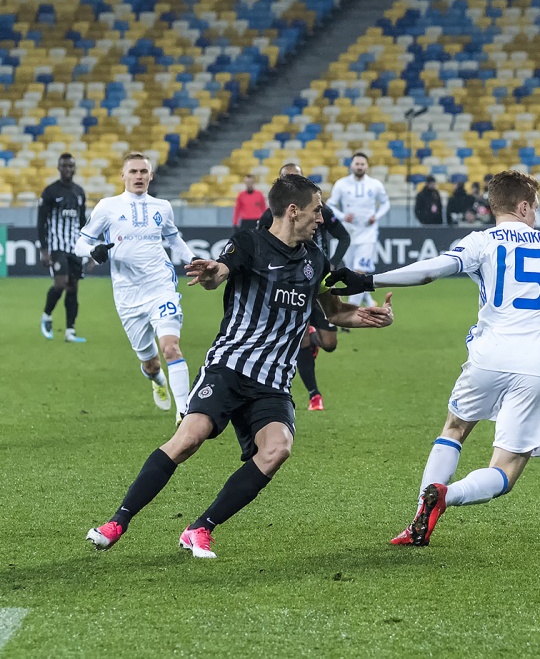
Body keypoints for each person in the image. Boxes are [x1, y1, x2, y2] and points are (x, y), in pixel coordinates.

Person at [328, 170, 540, 547]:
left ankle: (419, 516)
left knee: (454, 428)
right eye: (535, 207)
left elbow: (430, 271)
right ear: (523, 206)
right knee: (506, 469)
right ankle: (446, 495)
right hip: (535, 366)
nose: (536, 214)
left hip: (487, 357)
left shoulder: (480, 241)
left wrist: (369, 280)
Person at [85, 173, 394, 559]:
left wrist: (364, 317)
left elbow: (332, 311)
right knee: (189, 438)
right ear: (293, 211)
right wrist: (211, 274)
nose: (322, 219)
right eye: (317, 211)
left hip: (273, 380)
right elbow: (220, 272)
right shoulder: (250, 243)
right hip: (230, 366)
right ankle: (118, 521)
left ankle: (200, 528)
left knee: (277, 449)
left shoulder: (315, 259)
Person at [74, 152, 194, 424]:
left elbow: (174, 240)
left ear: (151, 175)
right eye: (133, 171)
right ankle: (157, 379)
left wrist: (194, 259)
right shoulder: (107, 207)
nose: (138, 176)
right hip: (128, 295)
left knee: (171, 347)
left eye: (143, 171)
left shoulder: (162, 207)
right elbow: (80, 242)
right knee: (151, 363)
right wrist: (93, 250)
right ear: (123, 175)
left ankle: (184, 412)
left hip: (160, 286)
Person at [258, 162, 352, 411]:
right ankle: (314, 395)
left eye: (296, 178)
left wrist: (333, 263)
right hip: (289, 283)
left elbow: (344, 236)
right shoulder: (270, 216)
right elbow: (260, 247)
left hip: (318, 279)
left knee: (329, 343)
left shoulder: (320, 211)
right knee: (301, 340)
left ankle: (313, 337)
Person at [326, 152, 390, 308]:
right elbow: (330, 205)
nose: (359, 167)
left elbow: (385, 203)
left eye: (362, 164)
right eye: (357, 164)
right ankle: (367, 300)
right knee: (351, 272)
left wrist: (376, 216)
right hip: (348, 234)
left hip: (368, 234)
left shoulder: (375, 184)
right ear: (352, 165)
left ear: (367, 166)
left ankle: (352, 307)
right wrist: (342, 216)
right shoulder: (341, 184)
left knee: (360, 270)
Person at [38, 153, 88, 343]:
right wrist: (44, 249)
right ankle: (47, 315)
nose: (68, 169)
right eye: (65, 166)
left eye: (71, 166)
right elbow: (41, 222)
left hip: (75, 247)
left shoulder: (79, 192)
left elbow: (82, 222)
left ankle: (70, 331)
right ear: (59, 168)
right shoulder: (50, 192)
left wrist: (89, 248)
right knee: (61, 283)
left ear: (74, 168)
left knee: (73, 288)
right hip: (57, 246)